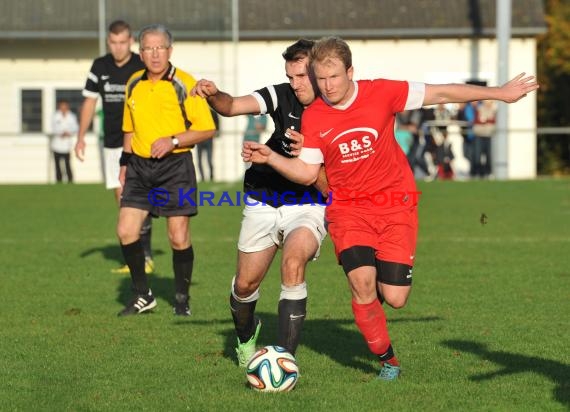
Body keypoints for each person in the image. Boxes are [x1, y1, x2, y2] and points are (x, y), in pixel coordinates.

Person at [243, 36, 538, 380]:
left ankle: (372, 306)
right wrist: (272, 157)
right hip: (349, 210)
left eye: (334, 77)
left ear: (350, 71)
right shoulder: (315, 116)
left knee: (395, 297)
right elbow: (308, 172)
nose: (327, 86)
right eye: (320, 79)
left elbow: (442, 93)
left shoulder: (383, 92)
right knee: (362, 283)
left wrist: (499, 93)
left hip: (395, 205)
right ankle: (388, 360)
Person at [191, 39, 328, 366]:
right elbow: (231, 106)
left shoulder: (338, 105)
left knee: (293, 263)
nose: (295, 84)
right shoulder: (281, 94)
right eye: (290, 76)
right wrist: (213, 94)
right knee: (245, 285)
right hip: (264, 196)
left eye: (301, 76)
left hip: (308, 204)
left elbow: (330, 181)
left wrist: (309, 157)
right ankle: (245, 337)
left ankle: (284, 362)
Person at [117, 24, 216, 316]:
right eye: (149, 48)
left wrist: (173, 141)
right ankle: (142, 295)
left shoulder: (186, 83)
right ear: (141, 52)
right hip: (138, 167)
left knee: (178, 237)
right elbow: (129, 128)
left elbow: (207, 129)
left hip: (175, 167)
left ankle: (182, 298)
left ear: (170, 51)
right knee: (125, 230)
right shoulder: (133, 82)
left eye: (161, 48)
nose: (155, 54)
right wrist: (124, 163)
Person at [74, 20, 155, 275]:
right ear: (108, 42)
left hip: (138, 143)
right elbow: (88, 102)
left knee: (135, 199)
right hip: (110, 145)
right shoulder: (100, 66)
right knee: (123, 202)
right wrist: (80, 136)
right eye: (113, 43)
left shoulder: (140, 66)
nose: (118, 48)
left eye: (122, 43)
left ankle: (145, 257)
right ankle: (136, 257)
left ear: (130, 42)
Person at [51, 99, 78, 183]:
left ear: (67, 106)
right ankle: (58, 181)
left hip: (67, 145)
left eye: (65, 106)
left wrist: (68, 132)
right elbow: (53, 128)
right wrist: (61, 133)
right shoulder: (55, 116)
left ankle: (70, 180)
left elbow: (75, 128)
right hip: (57, 145)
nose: (63, 108)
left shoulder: (72, 116)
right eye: (61, 106)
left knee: (67, 164)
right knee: (57, 165)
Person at [196, 108, 219, 181]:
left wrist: (215, 132)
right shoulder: (198, 113)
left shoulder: (212, 113)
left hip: (208, 139)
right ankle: (202, 178)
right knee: (199, 160)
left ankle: (211, 177)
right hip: (199, 139)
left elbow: (217, 125)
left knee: (209, 160)